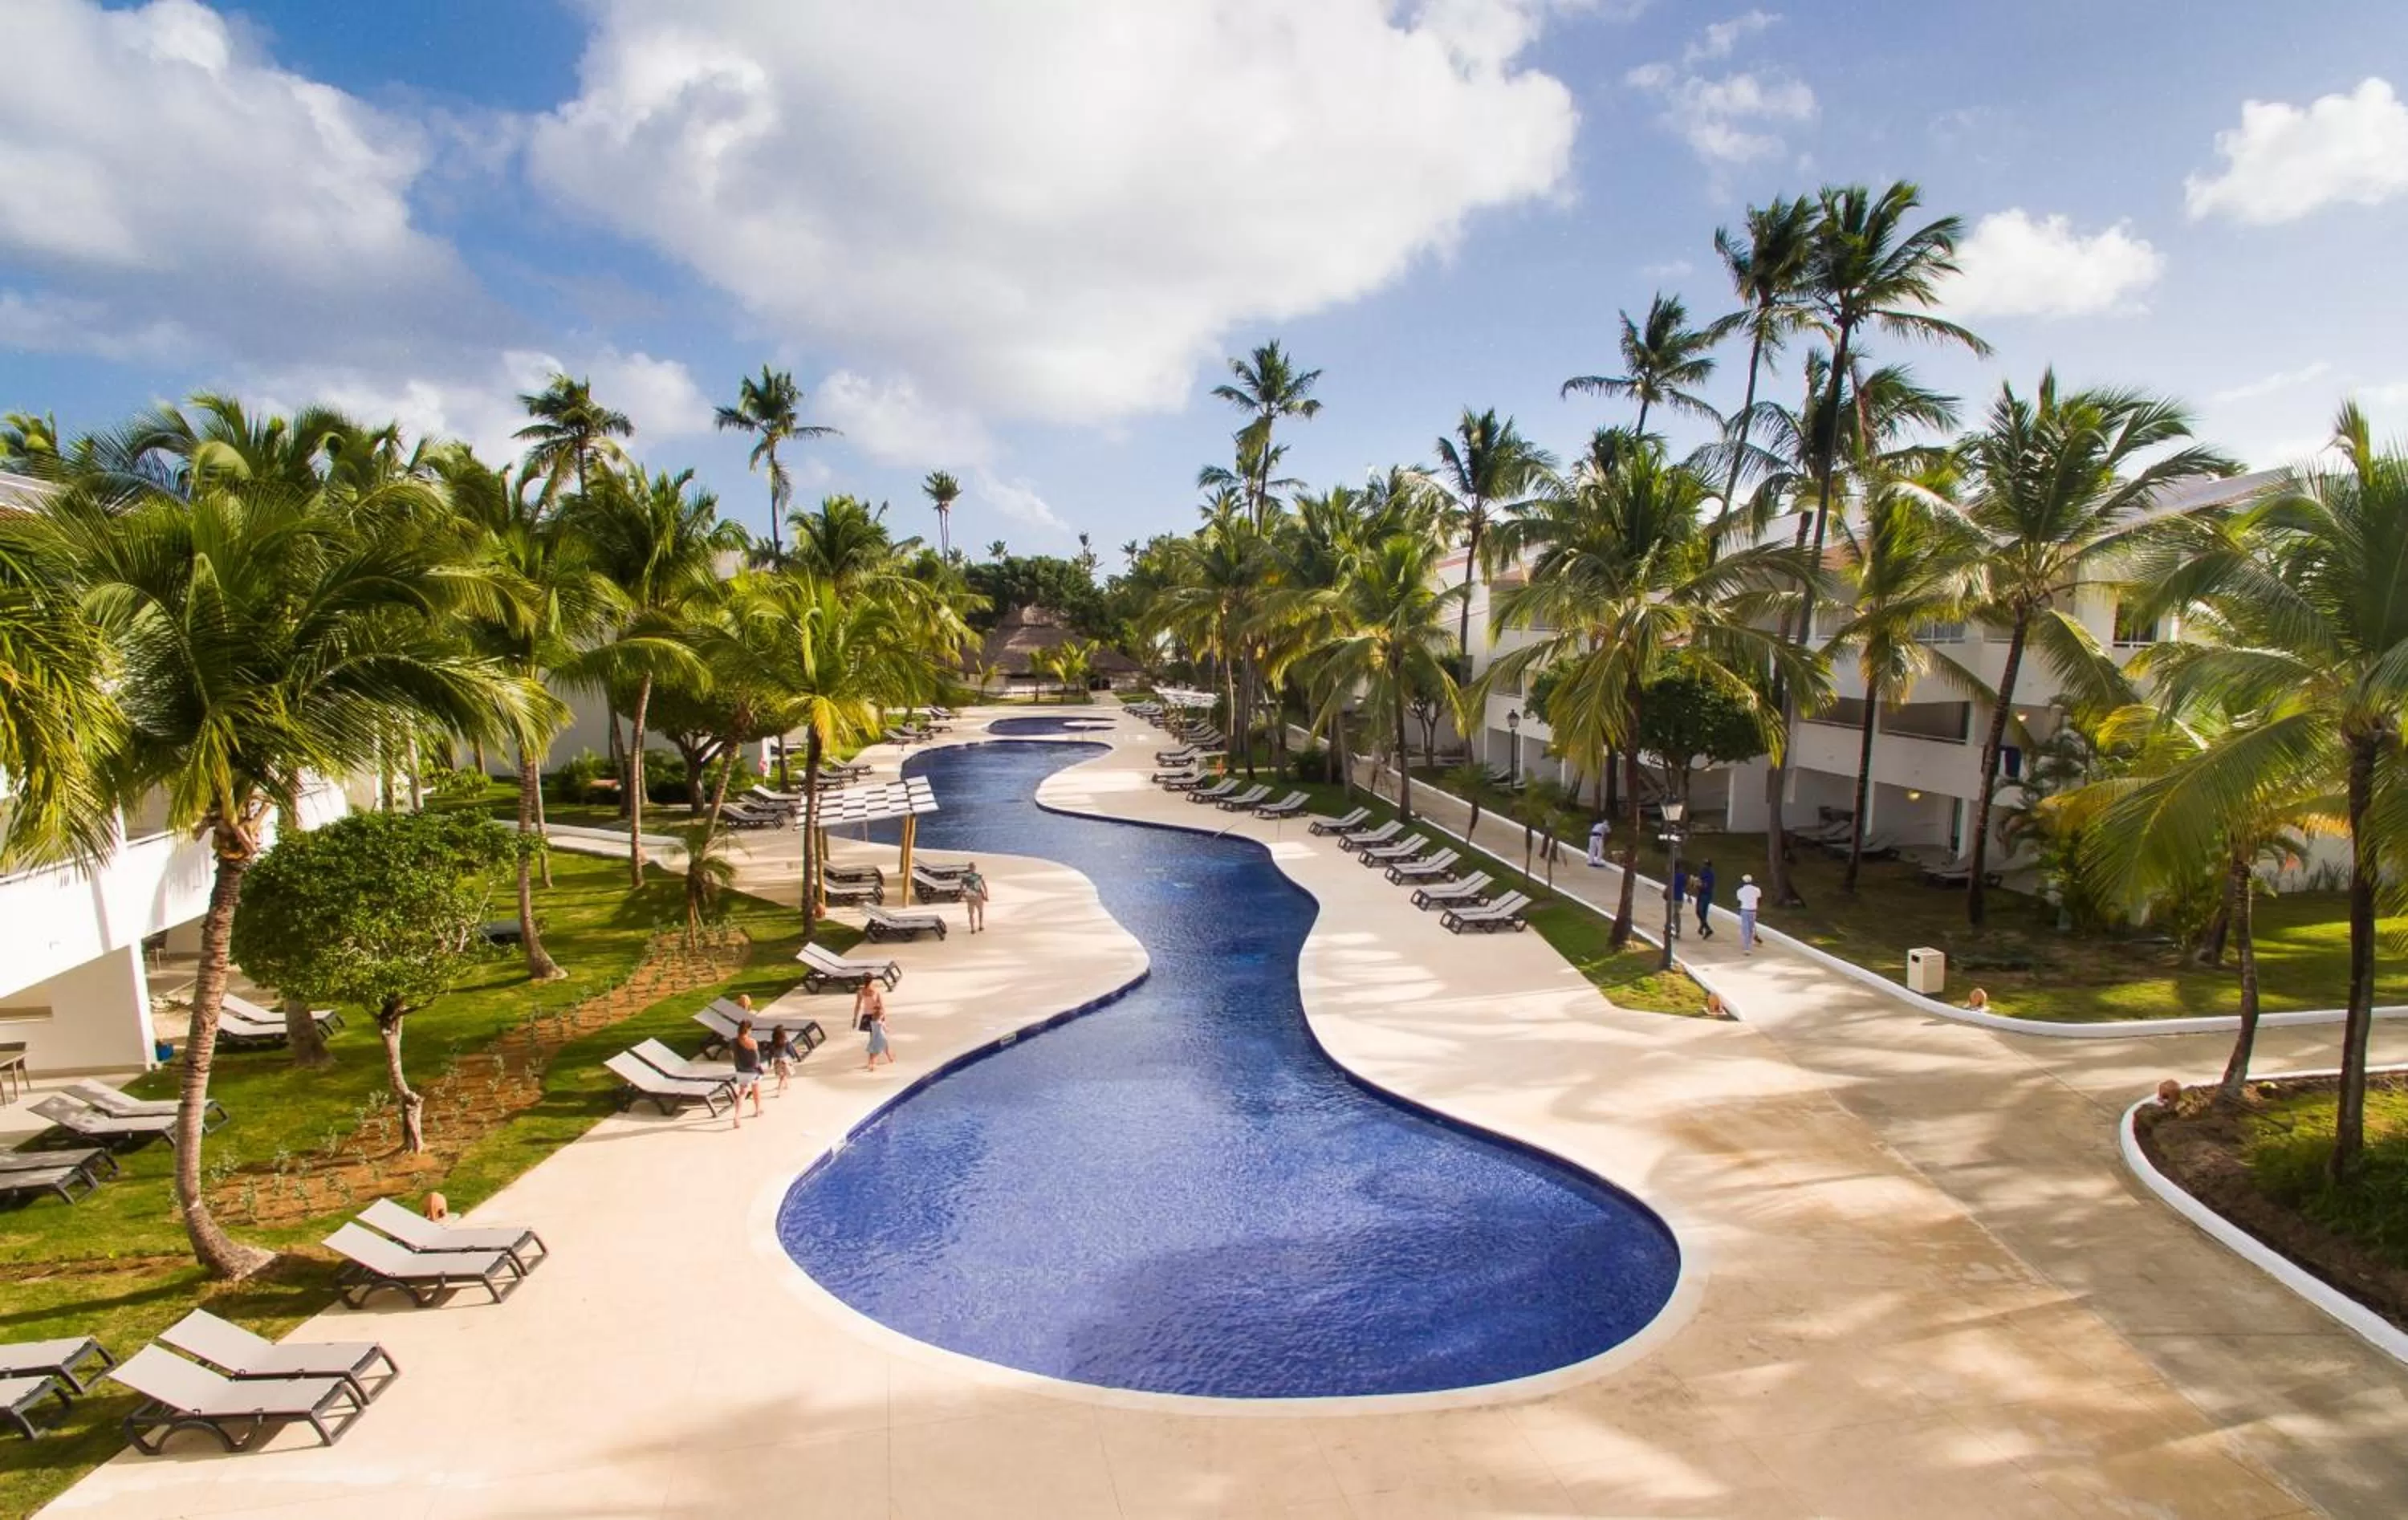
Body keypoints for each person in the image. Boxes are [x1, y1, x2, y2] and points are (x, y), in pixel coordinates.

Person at [729, 1019, 765, 1126]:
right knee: (756, 1090)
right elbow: (756, 1059)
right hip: (752, 1071)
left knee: (742, 1093)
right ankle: (758, 1109)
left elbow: (732, 1054)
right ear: (748, 1029)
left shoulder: (733, 1041)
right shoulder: (752, 1042)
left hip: (740, 1071)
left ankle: (737, 1116)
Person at [857, 981, 893, 1071]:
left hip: (867, 1016)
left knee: (875, 1044)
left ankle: (884, 1060)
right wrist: (884, 1019)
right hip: (879, 1034)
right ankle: (873, 1063)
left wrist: (854, 1018)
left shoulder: (861, 992)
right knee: (879, 1046)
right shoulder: (876, 992)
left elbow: (858, 1005)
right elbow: (881, 1006)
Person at [766, 1022, 799, 1093]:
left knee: (783, 1074)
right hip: (785, 1060)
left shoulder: (772, 1043)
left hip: (777, 1061)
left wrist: (769, 1062)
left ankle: (786, 1085)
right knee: (783, 1076)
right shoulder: (786, 1042)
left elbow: (770, 1054)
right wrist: (794, 1057)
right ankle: (779, 1090)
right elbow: (791, 1050)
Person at [1735, 873, 1763, 954]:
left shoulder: (1740, 890)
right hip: (1753, 911)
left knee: (1745, 929)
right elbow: (1759, 899)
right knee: (1750, 928)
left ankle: (1747, 948)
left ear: (1743, 882)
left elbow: (1739, 901)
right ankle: (1750, 944)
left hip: (1744, 910)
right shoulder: (1757, 889)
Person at [961, 861, 990, 933]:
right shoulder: (979, 876)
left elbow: (961, 886)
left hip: (970, 896)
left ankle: (972, 929)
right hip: (978, 896)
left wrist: (963, 894)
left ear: (968, 868)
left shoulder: (965, 877)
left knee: (971, 914)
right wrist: (986, 896)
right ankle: (980, 926)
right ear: (975, 868)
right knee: (980, 911)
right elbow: (985, 887)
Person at [1693, 860, 1716, 939]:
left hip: (1705, 895)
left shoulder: (1710, 875)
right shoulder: (1703, 872)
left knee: (1699, 911)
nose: (1703, 865)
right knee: (1703, 912)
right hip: (1703, 894)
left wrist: (1696, 883)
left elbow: (1705, 885)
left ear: (1709, 866)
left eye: (1705, 864)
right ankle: (1703, 928)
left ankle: (1708, 929)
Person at [1666, 862, 1688, 938]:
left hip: (1673, 898)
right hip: (1679, 898)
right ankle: (1677, 932)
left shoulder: (1672, 875)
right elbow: (1685, 884)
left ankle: (1671, 931)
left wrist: (1666, 892)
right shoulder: (1682, 876)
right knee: (1677, 915)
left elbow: (1669, 885)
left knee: (1671, 915)